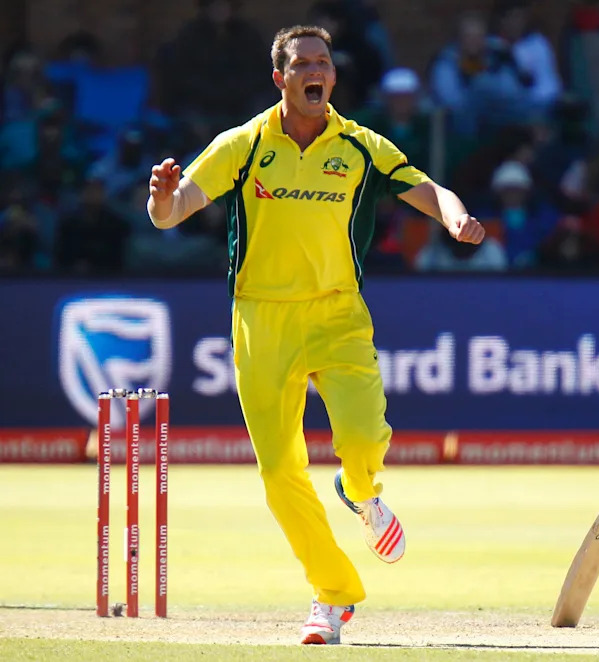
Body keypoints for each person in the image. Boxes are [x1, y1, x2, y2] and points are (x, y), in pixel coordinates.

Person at [145, 25, 485, 645]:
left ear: (332, 75)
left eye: (323, 62)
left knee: (363, 438)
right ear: (280, 78)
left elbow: (429, 190)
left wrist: (455, 217)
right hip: (262, 318)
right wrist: (162, 200)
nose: (315, 72)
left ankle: (360, 491)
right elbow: (174, 211)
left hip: (337, 313)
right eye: (302, 63)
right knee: (279, 473)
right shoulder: (244, 144)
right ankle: (332, 595)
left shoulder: (359, 146)